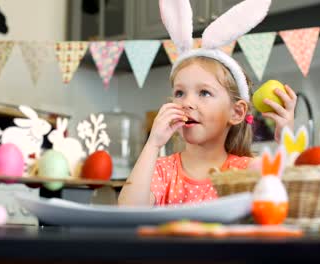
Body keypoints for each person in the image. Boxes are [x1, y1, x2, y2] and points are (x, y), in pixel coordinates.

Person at [118, 0, 296, 206]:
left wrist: (287, 142)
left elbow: (290, 203)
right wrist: (153, 144)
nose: (188, 102)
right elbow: (129, 209)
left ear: (237, 113)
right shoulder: (161, 170)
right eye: (179, 93)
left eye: (204, 92)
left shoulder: (248, 171)